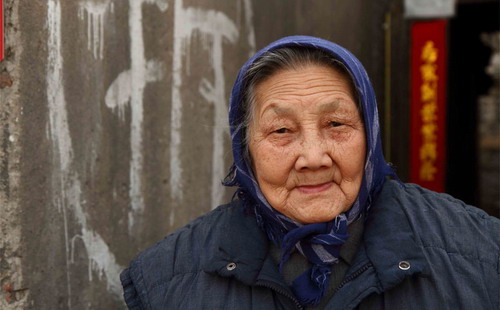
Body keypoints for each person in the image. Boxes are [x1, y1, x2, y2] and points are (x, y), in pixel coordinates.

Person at [120, 36, 500, 309]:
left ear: (371, 135)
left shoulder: (483, 254)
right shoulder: (162, 280)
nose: (314, 158)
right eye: (282, 131)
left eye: (336, 123)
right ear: (245, 149)